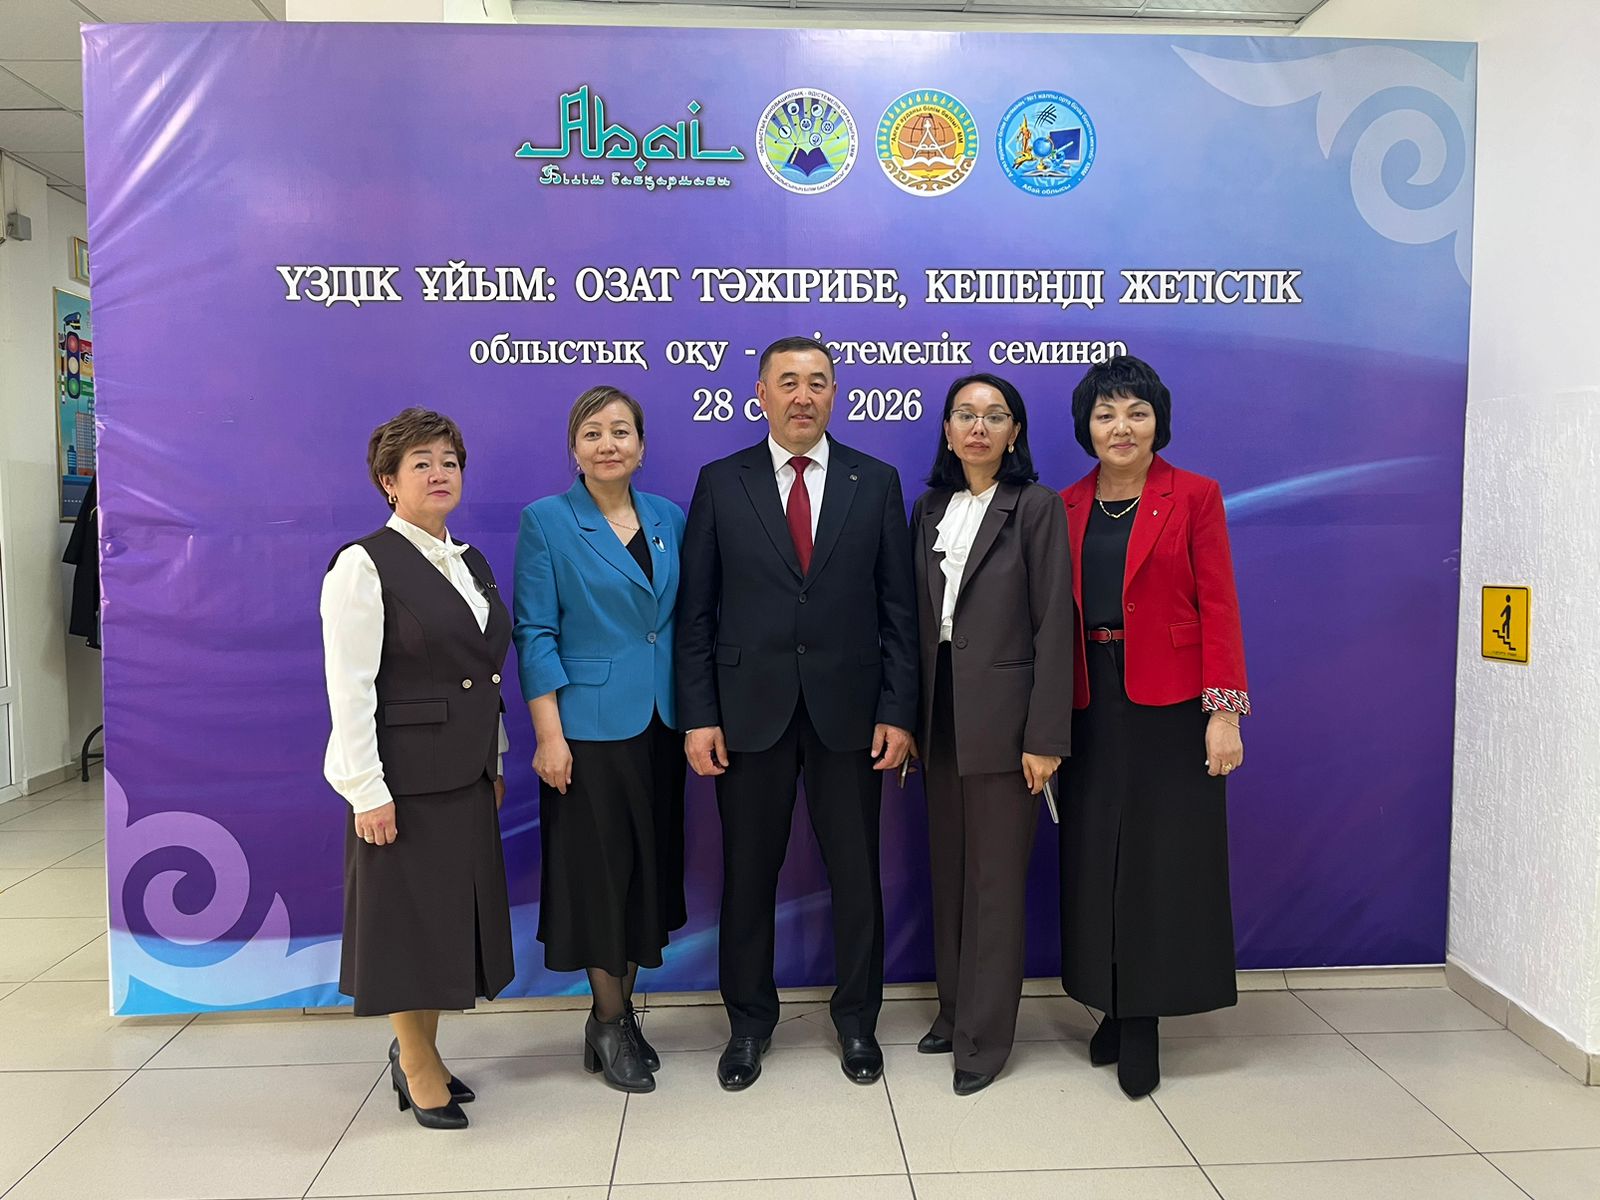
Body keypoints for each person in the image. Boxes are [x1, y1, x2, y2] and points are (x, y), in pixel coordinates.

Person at [676, 335, 919, 1091]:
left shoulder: (875, 481)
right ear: (761, 394)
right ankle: (749, 1024)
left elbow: (899, 610)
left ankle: (858, 1022)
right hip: (748, 714)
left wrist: (899, 710)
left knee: (857, 874)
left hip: (852, 713)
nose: (803, 395)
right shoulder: (722, 481)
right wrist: (699, 715)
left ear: (835, 394)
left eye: (817, 382)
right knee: (749, 876)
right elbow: (696, 612)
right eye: (787, 381)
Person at [1057, 355, 1248, 1098]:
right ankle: (1109, 1000)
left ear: (1157, 421)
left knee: (1159, 862)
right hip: (1088, 698)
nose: (1121, 427)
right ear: (1087, 426)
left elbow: (1220, 607)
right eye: (1105, 413)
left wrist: (1223, 712)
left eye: (1136, 412)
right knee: (1094, 856)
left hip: (1172, 703)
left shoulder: (1194, 495)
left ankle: (1142, 1019)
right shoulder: (1064, 504)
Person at [321, 407, 515, 1131]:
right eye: (422, 464)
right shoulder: (363, 564)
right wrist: (366, 791)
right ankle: (418, 1064)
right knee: (406, 925)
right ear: (389, 481)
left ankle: (419, 1053)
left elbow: (485, 675)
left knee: (442, 925)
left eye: (449, 462)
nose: (440, 474)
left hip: (465, 773)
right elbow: (349, 689)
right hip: (401, 781)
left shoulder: (471, 561)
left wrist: (494, 759)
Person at [512, 386, 686, 1094]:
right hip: (585, 732)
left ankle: (616, 1017)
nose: (608, 443)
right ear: (574, 449)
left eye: (621, 431)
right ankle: (610, 1020)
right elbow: (534, 631)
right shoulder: (548, 521)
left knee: (645, 872)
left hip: (661, 725)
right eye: (593, 432)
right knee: (600, 878)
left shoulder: (669, 517)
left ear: (641, 446)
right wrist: (547, 735)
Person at [909, 373, 1074, 1096]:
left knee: (995, 882)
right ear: (947, 432)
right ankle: (953, 1012)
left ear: (1015, 433)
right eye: (965, 415)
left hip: (1009, 724)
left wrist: (1046, 736)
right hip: (940, 714)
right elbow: (914, 621)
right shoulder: (929, 508)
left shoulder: (1035, 507)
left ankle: (985, 1038)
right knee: (950, 872)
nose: (978, 427)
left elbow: (1055, 625)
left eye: (994, 416)